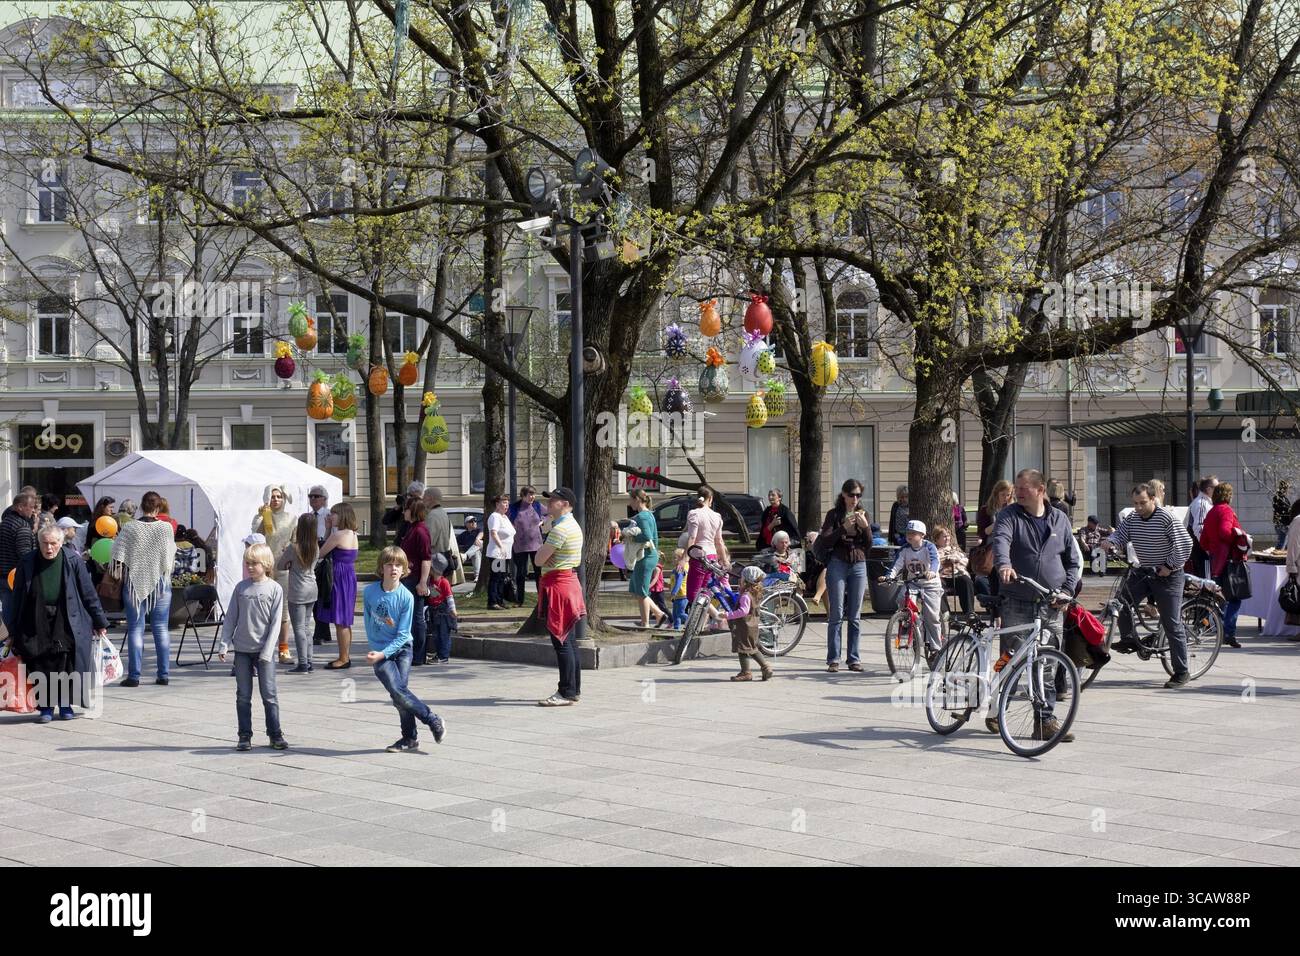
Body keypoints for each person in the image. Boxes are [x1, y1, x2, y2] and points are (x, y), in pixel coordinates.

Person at [990, 469, 1080, 740]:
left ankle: (1045, 721)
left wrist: (1066, 590)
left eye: (1024, 487)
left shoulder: (1059, 519)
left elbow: (1073, 560)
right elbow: (1001, 540)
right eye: (1017, 487)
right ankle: (996, 707)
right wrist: (1003, 564)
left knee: (1048, 662)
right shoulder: (1009, 515)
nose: (1018, 491)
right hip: (1017, 599)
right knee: (1009, 658)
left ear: (1040, 490)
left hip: (1052, 603)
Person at [3, 524, 109, 722]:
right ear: (39, 542)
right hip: (35, 618)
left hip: (67, 616)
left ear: (61, 543)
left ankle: (65, 704)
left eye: (53, 543)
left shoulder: (72, 560)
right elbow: (15, 596)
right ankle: (46, 707)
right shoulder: (27, 561)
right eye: (45, 543)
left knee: (65, 661)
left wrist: (99, 621)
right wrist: (10, 628)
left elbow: (88, 593)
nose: (49, 548)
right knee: (40, 660)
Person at [1100, 482, 1194, 687]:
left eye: (1143, 503)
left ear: (1153, 499)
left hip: (1169, 574)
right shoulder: (1133, 518)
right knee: (1121, 602)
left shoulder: (1165, 517)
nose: (1139, 507)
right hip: (1145, 570)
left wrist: (1169, 565)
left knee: (1171, 622)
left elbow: (1186, 544)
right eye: (1135, 503)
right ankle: (1129, 639)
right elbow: (1120, 534)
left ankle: (1181, 671)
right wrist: (1111, 542)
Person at [363, 547, 447, 752]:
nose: (393, 568)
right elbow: (368, 623)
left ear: (404, 570)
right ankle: (430, 721)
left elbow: (402, 635)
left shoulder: (406, 597)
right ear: (381, 568)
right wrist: (377, 650)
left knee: (399, 695)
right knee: (399, 693)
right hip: (380, 651)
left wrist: (383, 653)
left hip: (402, 649)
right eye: (389, 564)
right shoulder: (369, 592)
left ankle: (410, 737)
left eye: (398, 565)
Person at [218, 544, 288, 751]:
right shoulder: (241, 588)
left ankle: (275, 734)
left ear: (266, 564)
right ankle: (244, 735)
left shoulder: (275, 588)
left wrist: (268, 651)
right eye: (247, 563)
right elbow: (231, 618)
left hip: (264, 652)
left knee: (269, 695)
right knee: (243, 695)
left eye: (254, 563)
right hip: (242, 650)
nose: (249, 567)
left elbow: (276, 624)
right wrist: (224, 644)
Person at [110, 491, 177, 688]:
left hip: (133, 584)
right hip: (161, 584)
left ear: (141, 506)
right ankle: (163, 675)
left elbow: (116, 555)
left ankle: (134, 676)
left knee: (136, 629)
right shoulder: (166, 528)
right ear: (158, 508)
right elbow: (170, 556)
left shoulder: (130, 527)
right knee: (160, 628)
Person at [535, 487, 586, 706]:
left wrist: (543, 552)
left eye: (553, 500)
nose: (548, 503)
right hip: (568, 584)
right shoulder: (571, 525)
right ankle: (573, 689)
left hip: (557, 587)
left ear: (565, 503)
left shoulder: (560, 530)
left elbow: (538, 560)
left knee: (562, 642)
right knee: (570, 641)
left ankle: (565, 692)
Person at [820, 479, 871, 673]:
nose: (855, 499)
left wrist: (865, 527)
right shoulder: (834, 515)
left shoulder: (864, 514)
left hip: (858, 564)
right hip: (838, 564)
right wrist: (843, 528)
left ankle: (854, 659)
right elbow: (825, 541)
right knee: (836, 613)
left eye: (858, 495)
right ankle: (833, 659)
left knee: (855, 615)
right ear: (843, 495)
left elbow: (869, 546)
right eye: (851, 495)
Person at [881, 520, 945, 652]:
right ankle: (912, 621)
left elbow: (935, 561)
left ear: (922, 535)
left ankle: (936, 648)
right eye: (908, 533)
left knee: (932, 617)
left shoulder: (929, 547)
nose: (909, 535)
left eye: (913, 533)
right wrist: (889, 577)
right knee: (901, 599)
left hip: (930, 584)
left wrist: (932, 572)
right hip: (913, 583)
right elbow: (896, 565)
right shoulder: (904, 549)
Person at [1199, 482, 1249, 649]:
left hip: (1216, 560)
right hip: (1229, 560)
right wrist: (1239, 537)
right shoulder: (1226, 510)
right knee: (1234, 597)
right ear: (1228, 495)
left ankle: (1220, 630)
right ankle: (1229, 633)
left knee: (1220, 597)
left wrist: (1213, 549)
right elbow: (1225, 531)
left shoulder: (1211, 512)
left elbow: (1203, 540)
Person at [251, 484, 297, 664]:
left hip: (284, 569)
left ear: (284, 499)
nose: (276, 500)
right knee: (262, 610)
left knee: (284, 611)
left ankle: (283, 649)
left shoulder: (293, 518)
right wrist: (261, 518)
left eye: (279, 497)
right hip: (265, 569)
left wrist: (290, 551)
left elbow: (296, 542)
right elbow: (255, 537)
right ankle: (261, 648)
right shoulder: (262, 516)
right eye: (273, 496)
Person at [708, 564, 772, 681]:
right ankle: (766, 667)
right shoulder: (755, 594)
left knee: (742, 649)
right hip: (752, 626)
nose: (740, 579)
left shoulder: (746, 596)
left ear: (746, 580)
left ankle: (745, 672)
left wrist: (727, 615)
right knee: (752, 649)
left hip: (744, 627)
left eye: (742, 577)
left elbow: (743, 611)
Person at [319, 502, 359, 669]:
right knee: (345, 620)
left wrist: (328, 530)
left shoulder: (339, 535)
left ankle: (343, 658)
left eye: (334, 514)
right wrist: (329, 528)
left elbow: (321, 552)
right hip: (349, 575)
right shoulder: (352, 534)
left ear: (342, 515)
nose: (331, 516)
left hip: (339, 576)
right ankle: (345, 656)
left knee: (340, 620)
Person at [279, 513, 320, 673]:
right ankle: (309, 661)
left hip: (297, 590)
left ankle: (302, 663)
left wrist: (289, 563)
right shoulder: (315, 546)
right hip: (312, 587)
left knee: (298, 628)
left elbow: (280, 565)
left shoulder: (293, 547)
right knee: (306, 627)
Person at [624, 489, 666, 628]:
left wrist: (630, 536)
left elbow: (647, 536)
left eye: (630, 499)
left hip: (646, 556)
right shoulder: (648, 514)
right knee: (638, 590)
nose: (629, 503)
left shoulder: (643, 516)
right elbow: (654, 537)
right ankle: (658, 615)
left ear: (636, 499)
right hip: (647, 555)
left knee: (641, 591)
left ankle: (645, 623)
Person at [680, 487, 729, 602]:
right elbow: (719, 541)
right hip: (712, 556)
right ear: (710, 499)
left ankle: (710, 615)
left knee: (693, 595)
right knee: (705, 592)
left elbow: (692, 537)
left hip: (699, 557)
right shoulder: (717, 516)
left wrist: (684, 559)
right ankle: (706, 617)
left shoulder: (694, 514)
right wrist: (724, 560)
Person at [399, 499, 433, 665]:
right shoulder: (412, 529)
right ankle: (410, 652)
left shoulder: (420, 531)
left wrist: (423, 582)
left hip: (415, 579)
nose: (403, 512)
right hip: (407, 578)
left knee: (417, 618)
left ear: (413, 511)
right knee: (409, 617)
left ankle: (419, 655)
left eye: (406, 509)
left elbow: (426, 559)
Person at [0, 491, 39, 613]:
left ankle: (12, 631)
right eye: (31, 507)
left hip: (3, 575)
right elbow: (25, 555)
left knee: (7, 609)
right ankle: (15, 632)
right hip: (17, 577)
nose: (33, 511)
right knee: (20, 611)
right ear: (20, 507)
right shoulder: (22, 526)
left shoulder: (3, 523)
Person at [508, 487, 544, 607]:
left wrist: (543, 521)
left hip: (536, 545)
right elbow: (506, 519)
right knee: (521, 573)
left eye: (534, 495)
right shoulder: (514, 507)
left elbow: (549, 513)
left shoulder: (538, 505)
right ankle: (519, 600)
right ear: (523, 495)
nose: (532, 497)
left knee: (538, 573)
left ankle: (541, 600)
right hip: (519, 544)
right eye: (529, 495)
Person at [307, 485, 332, 646]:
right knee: (315, 597)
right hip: (312, 558)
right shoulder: (308, 517)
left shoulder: (329, 516)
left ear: (324, 499)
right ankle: (322, 631)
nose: (313, 499)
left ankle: (321, 631)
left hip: (325, 560)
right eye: (311, 496)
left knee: (323, 596)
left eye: (316, 496)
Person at [932, 524, 975, 614]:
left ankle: (969, 613)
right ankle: (946, 613)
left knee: (966, 581)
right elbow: (934, 563)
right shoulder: (933, 551)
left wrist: (955, 560)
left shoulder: (955, 549)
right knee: (937, 585)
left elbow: (965, 561)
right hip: (941, 576)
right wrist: (947, 559)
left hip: (956, 575)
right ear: (937, 539)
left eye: (948, 536)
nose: (947, 538)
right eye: (944, 537)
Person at [425, 553, 457, 664]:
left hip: (443, 613)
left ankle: (443, 656)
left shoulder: (444, 582)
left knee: (443, 635)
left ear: (434, 569)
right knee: (436, 635)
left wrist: (453, 609)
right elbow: (431, 595)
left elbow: (449, 597)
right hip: (434, 611)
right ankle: (438, 654)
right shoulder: (430, 581)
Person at [486, 494, 516, 611]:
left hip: (505, 554)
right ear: (497, 504)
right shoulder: (495, 516)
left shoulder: (504, 517)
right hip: (497, 553)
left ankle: (499, 600)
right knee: (496, 577)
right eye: (504, 502)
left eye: (507, 502)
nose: (507, 504)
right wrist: (501, 547)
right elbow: (494, 533)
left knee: (501, 578)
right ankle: (492, 602)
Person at [1186, 475, 1218, 577]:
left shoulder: (1204, 503)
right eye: (1217, 488)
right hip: (1201, 551)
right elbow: (1199, 527)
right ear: (1209, 489)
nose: (1220, 490)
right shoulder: (1202, 504)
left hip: (1201, 549)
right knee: (1206, 581)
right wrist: (1208, 549)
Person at [423, 487, 452, 570]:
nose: (423, 500)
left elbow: (429, 541)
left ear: (430, 498)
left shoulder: (432, 516)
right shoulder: (443, 513)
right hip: (442, 556)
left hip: (434, 559)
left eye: (424, 497)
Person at [456, 515, 484, 580]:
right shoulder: (464, 534)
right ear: (466, 524)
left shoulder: (479, 530)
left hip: (482, 552)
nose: (474, 522)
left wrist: (477, 538)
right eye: (471, 521)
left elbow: (482, 533)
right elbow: (455, 542)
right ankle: (477, 576)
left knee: (480, 542)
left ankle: (465, 556)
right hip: (472, 554)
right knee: (476, 553)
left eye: (475, 521)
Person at [669, 549, 689, 629]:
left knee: (680, 613)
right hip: (677, 597)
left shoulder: (680, 570)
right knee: (675, 614)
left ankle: (691, 621)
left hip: (682, 595)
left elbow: (679, 582)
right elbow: (674, 582)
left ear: (681, 559)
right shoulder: (674, 570)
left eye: (675, 558)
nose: (673, 560)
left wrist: (673, 592)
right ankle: (676, 628)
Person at [1274, 481, 1292, 549]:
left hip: (1283, 522)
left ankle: (1286, 551)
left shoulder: (1284, 498)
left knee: (1286, 538)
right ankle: (1282, 552)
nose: (1288, 490)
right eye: (1287, 488)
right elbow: (1278, 508)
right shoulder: (1278, 497)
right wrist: (1288, 509)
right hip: (1281, 522)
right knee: (1283, 539)